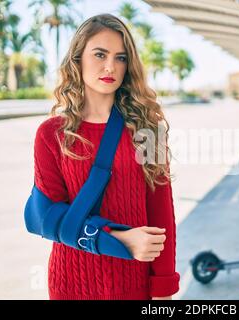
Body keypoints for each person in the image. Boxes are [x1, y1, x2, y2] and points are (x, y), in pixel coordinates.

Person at [32, 13, 179, 300]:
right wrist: (118, 239)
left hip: (133, 283)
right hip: (71, 282)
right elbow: (49, 219)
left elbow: (161, 215)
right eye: (100, 54)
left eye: (121, 58)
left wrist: (164, 288)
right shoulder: (51, 134)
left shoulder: (148, 130)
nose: (110, 66)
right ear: (78, 58)